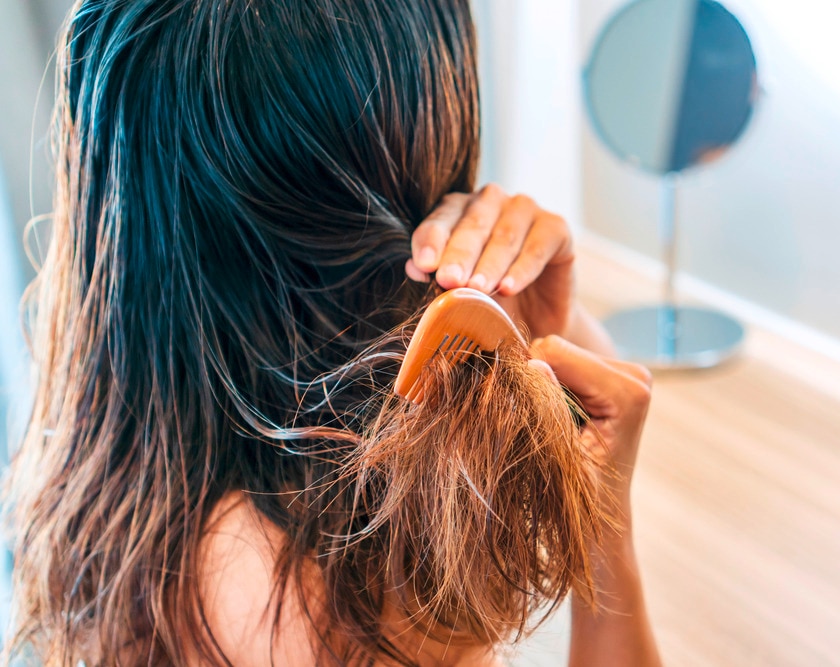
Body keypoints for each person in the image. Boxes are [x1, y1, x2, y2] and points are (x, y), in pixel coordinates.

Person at [5, 1, 663, 665]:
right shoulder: (302, 598)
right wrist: (607, 534)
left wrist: (544, 324)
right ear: (422, 137)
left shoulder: (131, 471)